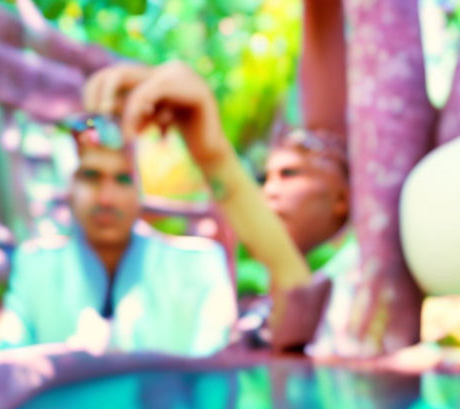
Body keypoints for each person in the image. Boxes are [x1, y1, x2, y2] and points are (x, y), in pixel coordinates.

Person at [83, 61, 353, 352]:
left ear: (344, 198)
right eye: (264, 179)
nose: (270, 191)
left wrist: (214, 157)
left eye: (290, 174)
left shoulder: (354, 274)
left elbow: (296, 290)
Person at [0, 113, 237, 356]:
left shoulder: (196, 265)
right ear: (69, 188)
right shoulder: (35, 266)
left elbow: (212, 366)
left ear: (140, 189)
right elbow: (7, 359)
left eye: (123, 179)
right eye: (90, 177)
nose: (106, 198)